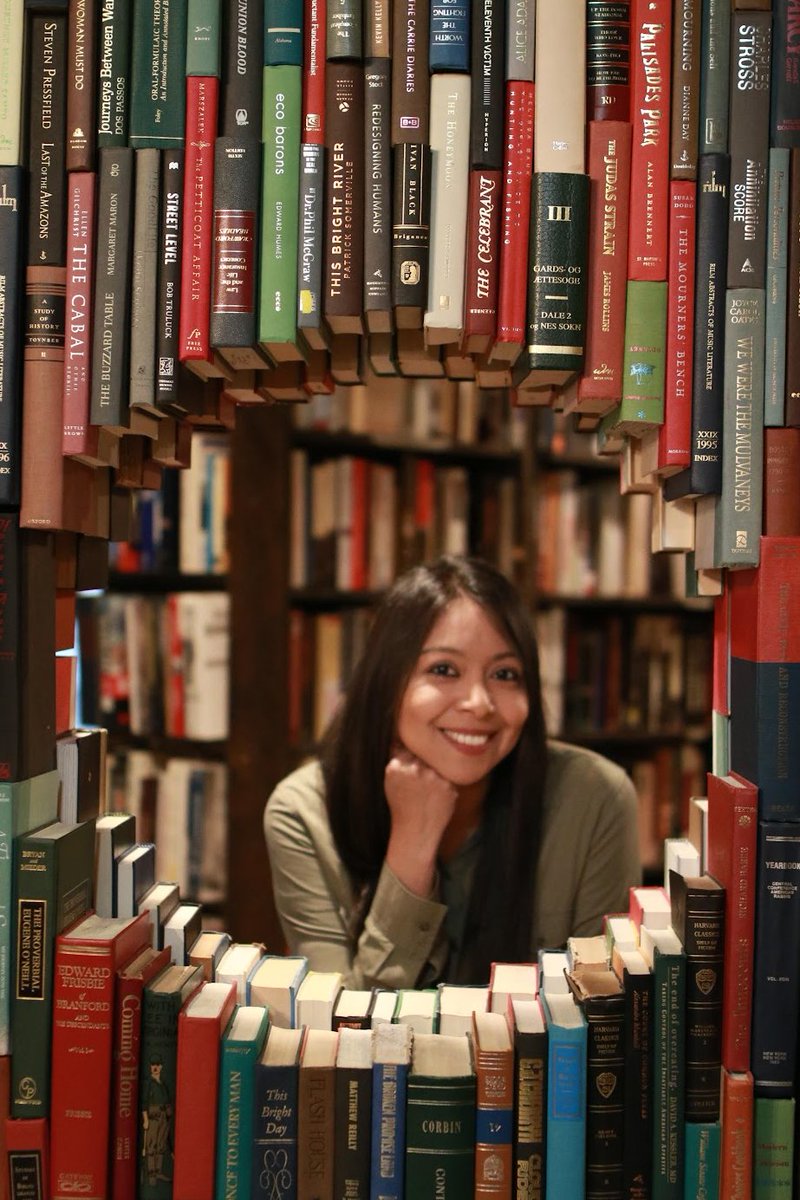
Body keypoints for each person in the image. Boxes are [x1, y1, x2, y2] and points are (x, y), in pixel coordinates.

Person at [264, 556, 641, 988]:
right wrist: (411, 843)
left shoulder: (595, 798)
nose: (479, 702)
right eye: (444, 670)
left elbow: (599, 1014)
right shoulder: (302, 813)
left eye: (505, 674)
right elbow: (340, 1030)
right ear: (387, 682)